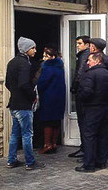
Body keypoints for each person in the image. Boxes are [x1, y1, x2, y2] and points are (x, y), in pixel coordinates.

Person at [5, 37, 45, 170]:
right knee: (27, 134)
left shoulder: (11, 62)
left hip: (14, 104)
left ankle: (11, 160)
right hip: (23, 105)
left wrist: (16, 93)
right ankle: (30, 162)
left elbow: (7, 83)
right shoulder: (24, 63)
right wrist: (32, 95)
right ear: (26, 49)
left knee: (15, 134)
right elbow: (23, 84)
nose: (35, 50)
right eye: (32, 48)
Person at [75, 53, 108, 172]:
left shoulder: (89, 74)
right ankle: (101, 161)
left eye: (89, 60)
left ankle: (89, 164)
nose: (87, 63)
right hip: (105, 108)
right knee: (103, 135)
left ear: (97, 61)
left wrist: (82, 98)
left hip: (92, 108)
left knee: (89, 135)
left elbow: (86, 92)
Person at [36, 47, 66, 154]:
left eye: (46, 56)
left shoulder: (47, 68)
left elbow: (41, 84)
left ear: (52, 57)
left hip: (48, 97)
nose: (44, 58)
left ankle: (47, 144)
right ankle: (53, 144)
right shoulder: (60, 67)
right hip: (59, 97)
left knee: (47, 121)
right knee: (56, 121)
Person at [68, 35, 90, 159]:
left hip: (82, 92)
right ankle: (84, 148)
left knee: (83, 122)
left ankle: (85, 149)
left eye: (80, 43)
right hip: (82, 92)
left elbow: (80, 73)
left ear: (87, 45)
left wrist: (74, 87)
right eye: (77, 43)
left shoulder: (84, 56)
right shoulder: (82, 55)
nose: (77, 46)